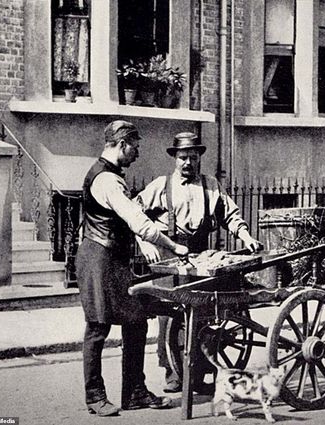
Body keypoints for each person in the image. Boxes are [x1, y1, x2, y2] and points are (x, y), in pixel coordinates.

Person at [134, 131, 263, 394]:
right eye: (183, 157)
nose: (187, 163)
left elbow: (230, 215)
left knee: (203, 315)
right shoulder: (161, 186)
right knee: (169, 318)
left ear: (199, 158)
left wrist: (247, 237)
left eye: (192, 157)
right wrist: (145, 244)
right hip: (168, 258)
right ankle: (173, 373)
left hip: (202, 258)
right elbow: (134, 213)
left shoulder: (211, 185)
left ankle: (201, 373)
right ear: (175, 158)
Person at [75, 120, 189, 417]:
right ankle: (95, 396)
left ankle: (135, 391)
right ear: (122, 144)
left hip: (112, 259)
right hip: (99, 260)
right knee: (97, 328)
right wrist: (174, 247)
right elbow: (138, 222)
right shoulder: (107, 180)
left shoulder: (108, 174)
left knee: (136, 320)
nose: (137, 154)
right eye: (135, 147)